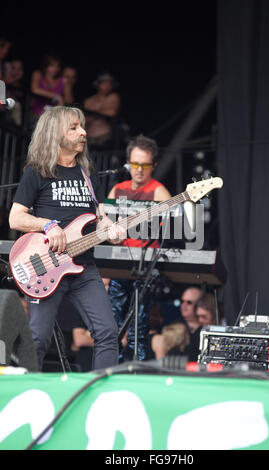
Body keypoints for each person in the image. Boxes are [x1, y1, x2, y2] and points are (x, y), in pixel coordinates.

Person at [8, 105, 125, 371]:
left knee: (107, 333)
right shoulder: (37, 172)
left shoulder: (87, 175)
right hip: (47, 267)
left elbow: (99, 216)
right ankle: (27, 395)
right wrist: (48, 225)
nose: (83, 132)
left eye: (81, 126)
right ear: (55, 133)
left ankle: (100, 397)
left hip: (85, 268)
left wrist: (112, 229)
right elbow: (15, 219)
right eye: (74, 127)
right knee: (37, 338)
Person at [107, 134, 172, 362]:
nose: (140, 170)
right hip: (117, 266)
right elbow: (104, 227)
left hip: (144, 269)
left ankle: (136, 374)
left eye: (145, 165)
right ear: (128, 164)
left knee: (138, 330)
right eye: (135, 164)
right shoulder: (117, 190)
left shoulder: (159, 192)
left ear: (153, 165)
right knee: (110, 328)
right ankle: (109, 370)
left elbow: (175, 228)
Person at [30, 54, 73, 120]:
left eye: (57, 66)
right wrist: (56, 96)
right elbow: (35, 89)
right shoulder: (38, 74)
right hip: (36, 114)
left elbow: (69, 101)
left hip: (54, 116)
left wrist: (68, 84)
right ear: (45, 66)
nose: (55, 69)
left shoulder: (62, 80)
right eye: (52, 65)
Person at [83, 72, 121, 148]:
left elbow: (111, 113)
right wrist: (100, 112)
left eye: (109, 84)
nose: (107, 87)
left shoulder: (113, 97)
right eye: (104, 84)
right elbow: (85, 119)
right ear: (98, 84)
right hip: (89, 139)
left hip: (105, 138)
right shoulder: (89, 101)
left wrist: (93, 113)